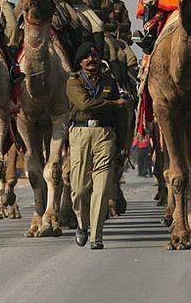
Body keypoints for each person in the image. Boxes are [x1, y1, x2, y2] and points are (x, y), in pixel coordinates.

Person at [66, 43, 128, 250]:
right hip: (80, 134)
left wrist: (123, 145)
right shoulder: (73, 82)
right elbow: (84, 105)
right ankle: (82, 225)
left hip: (105, 135)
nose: (91, 60)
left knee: (101, 189)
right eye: (86, 57)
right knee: (80, 189)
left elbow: (121, 117)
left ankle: (96, 235)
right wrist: (113, 103)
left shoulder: (110, 82)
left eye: (94, 56)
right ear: (80, 61)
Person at [96, 0, 137, 87]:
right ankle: (120, 84)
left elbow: (126, 23)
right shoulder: (97, 3)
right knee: (119, 55)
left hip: (119, 37)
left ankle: (134, 86)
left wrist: (123, 33)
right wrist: (112, 26)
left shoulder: (119, 4)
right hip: (105, 36)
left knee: (131, 58)